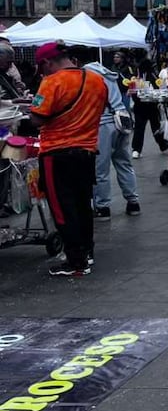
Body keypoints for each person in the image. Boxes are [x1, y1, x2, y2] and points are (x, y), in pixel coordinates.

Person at [29, 42, 108, 276]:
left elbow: (37, 119)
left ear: (46, 62)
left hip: (57, 153)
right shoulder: (96, 80)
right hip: (86, 151)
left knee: (63, 208)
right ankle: (87, 252)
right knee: (83, 204)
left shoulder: (51, 82)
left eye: (41, 67)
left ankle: (75, 261)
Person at [85, 62, 140, 220]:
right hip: (121, 120)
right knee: (124, 163)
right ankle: (133, 202)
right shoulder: (107, 72)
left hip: (103, 123)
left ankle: (102, 207)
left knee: (100, 168)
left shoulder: (87, 75)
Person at [131, 58, 168, 158]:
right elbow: (160, 88)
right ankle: (163, 145)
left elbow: (133, 92)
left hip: (139, 106)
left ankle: (136, 149)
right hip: (152, 106)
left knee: (139, 128)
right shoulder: (153, 75)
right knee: (156, 127)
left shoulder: (136, 77)